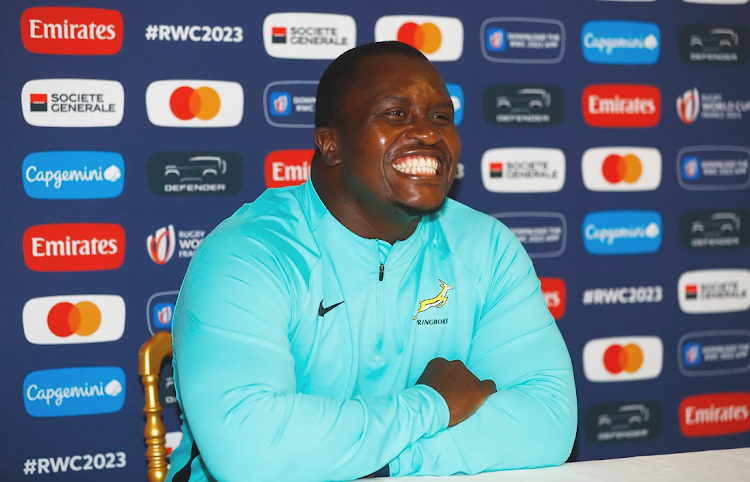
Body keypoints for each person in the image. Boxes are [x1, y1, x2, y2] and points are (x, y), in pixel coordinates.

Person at [167, 41, 576, 482]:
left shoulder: (486, 247)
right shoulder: (249, 254)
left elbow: (549, 421)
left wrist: (381, 465)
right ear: (330, 145)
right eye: (395, 114)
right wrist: (432, 404)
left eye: (441, 117)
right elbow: (254, 454)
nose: (429, 134)